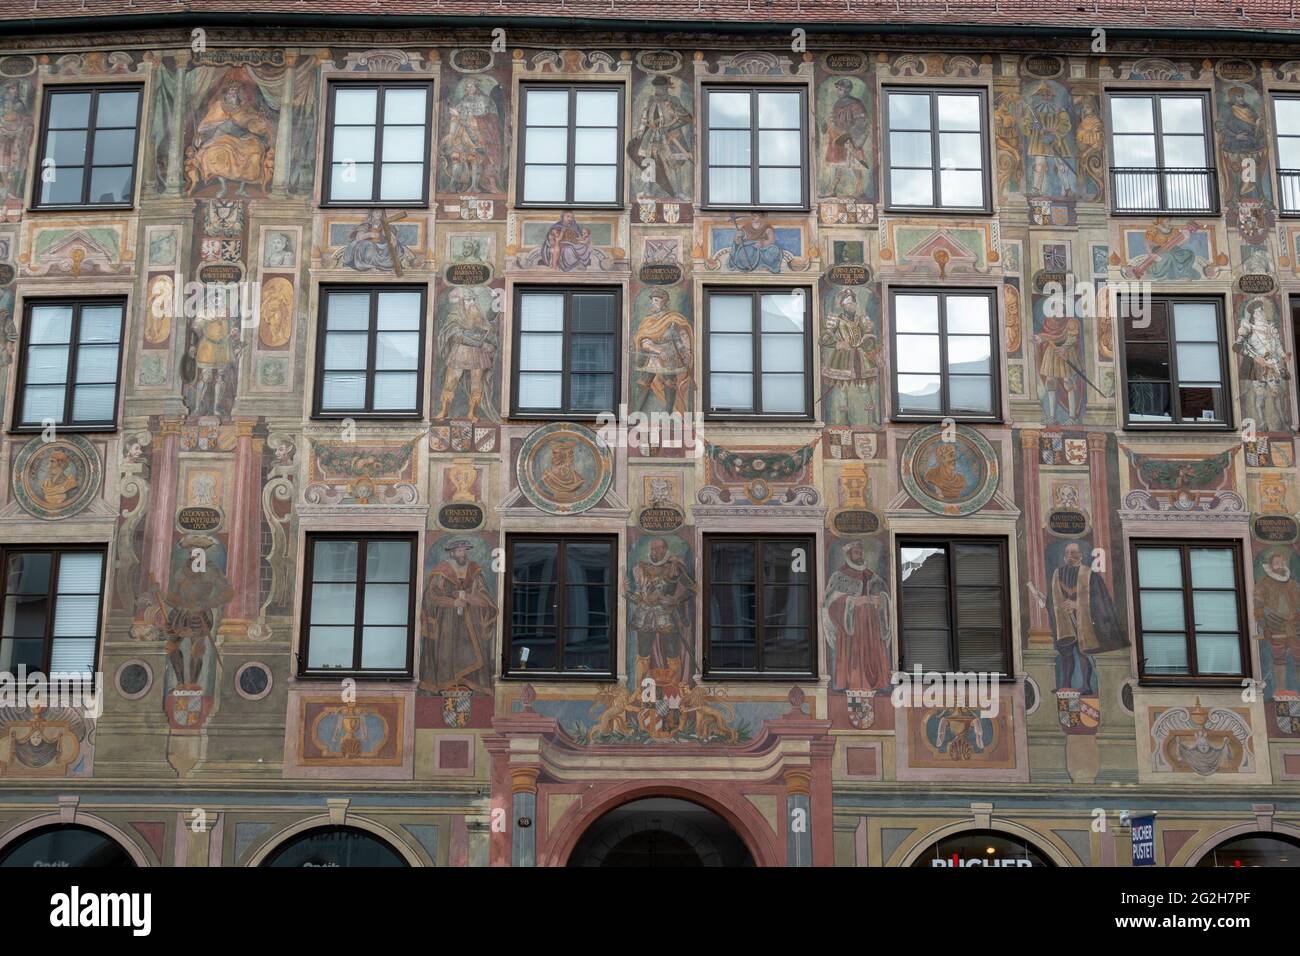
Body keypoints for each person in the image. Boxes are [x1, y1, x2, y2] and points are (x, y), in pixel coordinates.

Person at [1047, 542, 1126, 694]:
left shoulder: (1090, 575)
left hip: (1085, 621)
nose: (1069, 555)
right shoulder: (1057, 574)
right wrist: (1052, 604)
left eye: (1073, 553)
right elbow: (1052, 599)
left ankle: (1086, 686)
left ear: (1081, 556)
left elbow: (1100, 601)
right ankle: (1066, 684)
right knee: (1066, 653)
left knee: (1083, 652)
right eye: (1067, 552)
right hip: (1064, 621)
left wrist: (1078, 606)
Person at [420, 539, 496, 694]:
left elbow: (485, 596)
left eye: (465, 550)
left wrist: (467, 597)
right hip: (447, 623)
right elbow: (431, 597)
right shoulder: (441, 570)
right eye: (459, 550)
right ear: (452, 552)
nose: (463, 553)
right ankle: (446, 686)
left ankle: (471, 685)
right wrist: (452, 603)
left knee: (474, 654)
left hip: (471, 622)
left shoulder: (474, 570)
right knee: (447, 653)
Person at [822, 541, 892, 693]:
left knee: (871, 652)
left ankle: (876, 682)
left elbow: (885, 595)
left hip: (871, 626)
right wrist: (851, 601)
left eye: (860, 552)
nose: (859, 555)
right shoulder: (839, 576)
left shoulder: (871, 575)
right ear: (848, 555)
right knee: (854, 656)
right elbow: (829, 604)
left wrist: (879, 599)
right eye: (856, 552)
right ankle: (854, 684)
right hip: (851, 628)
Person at [434, 288, 498, 420]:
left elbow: (489, 332)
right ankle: (444, 410)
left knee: (476, 384)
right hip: (460, 352)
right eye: (469, 300)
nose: (472, 303)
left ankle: (472, 413)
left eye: (474, 300)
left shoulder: (479, 315)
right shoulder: (456, 315)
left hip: (478, 354)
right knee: (451, 381)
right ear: (463, 302)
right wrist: (467, 337)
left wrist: (488, 343)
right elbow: (451, 332)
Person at [634, 289, 692, 414]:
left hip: (670, 357)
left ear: (663, 302)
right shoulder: (648, 320)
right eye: (652, 300)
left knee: (670, 383)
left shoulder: (672, 319)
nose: (653, 303)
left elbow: (677, 338)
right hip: (653, 356)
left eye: (656, 300)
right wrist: (658, 351)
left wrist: (685, 352)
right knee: (644, 382)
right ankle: (637, 412)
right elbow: (644, 341)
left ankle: (668, 413)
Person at [1255, 548, 1300, 695]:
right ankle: (1281, 690)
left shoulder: (1292, 584)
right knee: (1279, 657)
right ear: (1270, 565)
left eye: (1281, 562)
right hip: (1275, 624)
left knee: (1298, 655)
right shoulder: (1263, 584)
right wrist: (1264, 627)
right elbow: (1258, 608)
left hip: (1294, 624)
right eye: (1276, 563)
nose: (1279, 565)